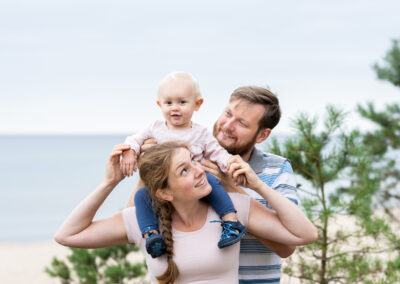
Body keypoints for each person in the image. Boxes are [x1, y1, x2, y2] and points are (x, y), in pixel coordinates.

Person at [55, 142, 318, 284]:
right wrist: (109, 183)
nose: (199, 169)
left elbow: (305, 234)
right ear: (165, 193)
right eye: (184, 170)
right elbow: (68, 235)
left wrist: (258, 186)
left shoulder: (233, 209)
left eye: (193, 160)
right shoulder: (145, 223)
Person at [132, 86, 299, 283]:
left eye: (242, 123)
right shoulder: (190, 163)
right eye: (228, 114)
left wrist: (231, 190)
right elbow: (132, 225)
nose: (227, 125)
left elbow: (286, 247)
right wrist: (150, 169)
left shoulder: (277, 170)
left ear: (262, 135)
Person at [120, 72, 246, 258]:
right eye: (168, 103)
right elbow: (135, 139)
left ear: (197, 104)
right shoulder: (154, 127)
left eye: (182, 102)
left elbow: (218, 153)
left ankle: (231, 222)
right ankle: (151, 235)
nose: (175, 108)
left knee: (212, 182)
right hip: (164, 183)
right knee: (141, 196)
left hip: (193, 181)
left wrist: (229, 165)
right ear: (159, 104)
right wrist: (130, 151)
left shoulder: (200, 133)